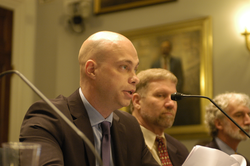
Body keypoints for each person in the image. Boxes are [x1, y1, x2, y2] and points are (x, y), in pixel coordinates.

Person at [19, 31, 160, 166]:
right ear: (92, 70)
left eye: (135, 69)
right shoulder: (49, 117)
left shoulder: (130, 126)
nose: (135, 78)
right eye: (124, 67)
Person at [130, 68, 189, 166]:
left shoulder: (180, 149)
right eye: (160, 95)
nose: (170, 104)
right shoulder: (120, 142)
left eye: (174, 98)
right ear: (137, 101)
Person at [205, 92, 250, 165]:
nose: (248, 121)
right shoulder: (204, 158)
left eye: (249, 115)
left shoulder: (244, 162)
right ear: (219, 123)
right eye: (239, 115)